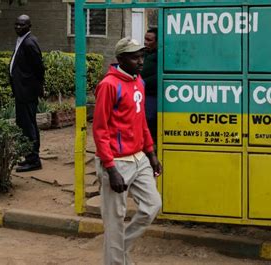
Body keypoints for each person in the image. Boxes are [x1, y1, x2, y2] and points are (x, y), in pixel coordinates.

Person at [93, 37, 163, 265]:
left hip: (139, 158)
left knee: (153, 206)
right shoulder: (108, 85)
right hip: (116, 162)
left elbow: (140, 120)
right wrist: (110, 167)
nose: (141, 61)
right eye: (135, 57)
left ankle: (119, 252)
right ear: (121, 59)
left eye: (142, 56)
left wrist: (151, 153)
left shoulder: (138, 81)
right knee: (114, 221)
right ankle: (116, 261)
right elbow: (100, 129)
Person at [9, 14, 45, 172]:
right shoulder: (22, 40)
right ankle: (29, 157)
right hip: (21, 91)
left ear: (29, 27)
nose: (18, 27)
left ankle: (34, 159)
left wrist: (37, 87)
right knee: (24, 124)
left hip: (27, 92)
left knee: (28, 125)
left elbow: (39, 68)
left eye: (22, 25)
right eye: (16, 24)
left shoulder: (29, 43)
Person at [141, 28, 158, 142]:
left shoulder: (161, 55)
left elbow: (159, 76)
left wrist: (142, 82)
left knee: (149, 118)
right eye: (145, 39)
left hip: (152, 94)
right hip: (140, 93)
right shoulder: (143, 53)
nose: (145, 42)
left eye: (149, 40)